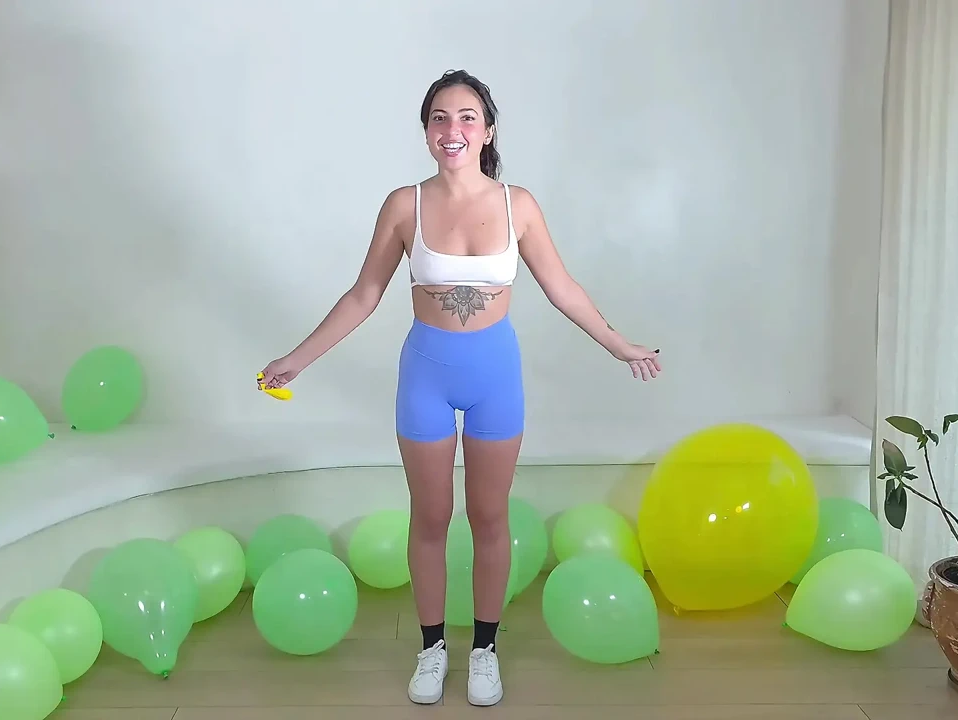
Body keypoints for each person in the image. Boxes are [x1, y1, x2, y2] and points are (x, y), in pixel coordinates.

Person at [257, 69, 661, 706]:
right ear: (426, 132)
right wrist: (295, 360)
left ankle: (485, 650)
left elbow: (562, 288)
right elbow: (363, 295)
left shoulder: (518, 205)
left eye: (467, 117)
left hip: (495, 375)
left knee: (490, 516)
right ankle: (432, 648)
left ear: (488, 130)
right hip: (426, 374)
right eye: (440, 118)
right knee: (431, 517)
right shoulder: (404, 205)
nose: (453, 129)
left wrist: (619, 344)